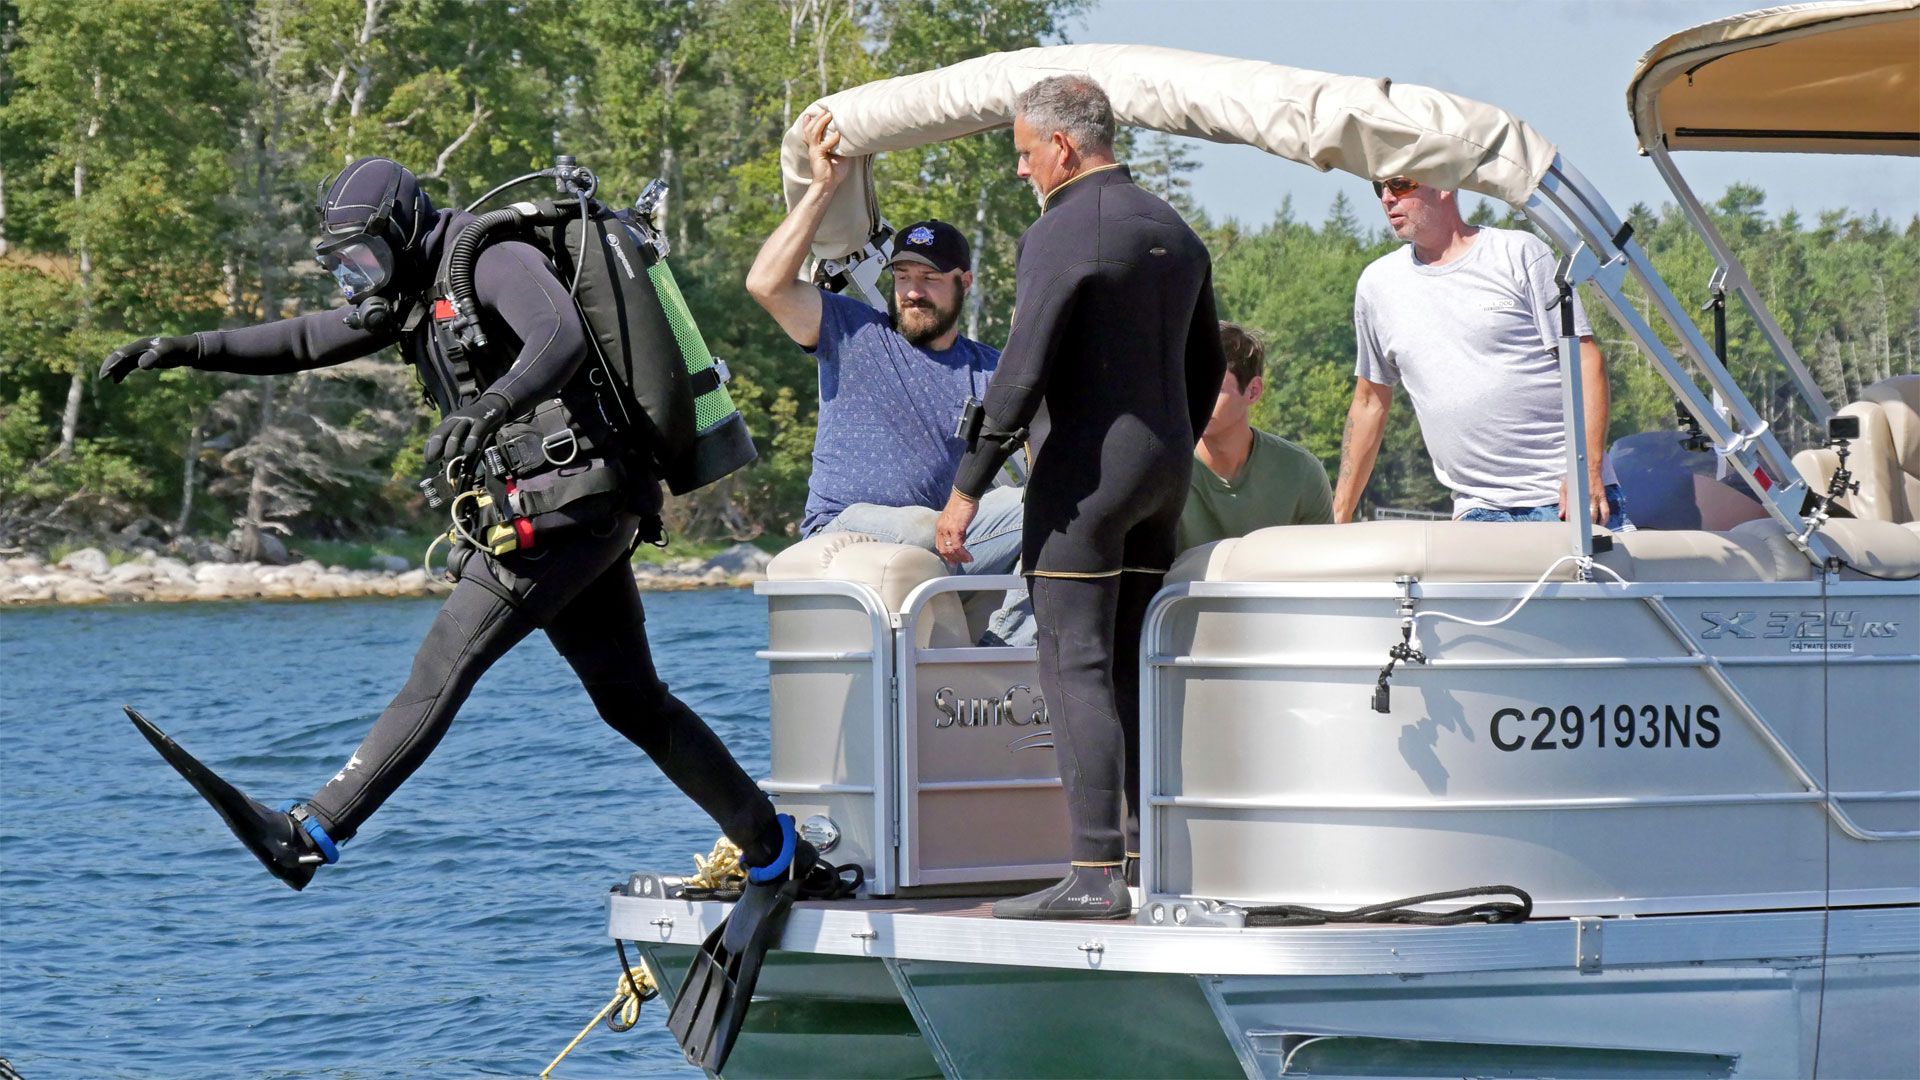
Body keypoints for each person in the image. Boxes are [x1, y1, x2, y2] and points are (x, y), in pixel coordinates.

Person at [101, 156, 814, 900]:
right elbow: (307, 340)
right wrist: (190, 349)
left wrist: (492, 406)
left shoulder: (490, 254)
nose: (358, 274)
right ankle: (773, 848)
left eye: (366, 255)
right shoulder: (409, 288)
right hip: (575, 512)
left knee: (444, 661)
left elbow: (559, 335)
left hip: (566, 508)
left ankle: (311, 833)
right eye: (344, 263)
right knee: (631, 701)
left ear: (405, 227)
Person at [934, 75, 1225, 921]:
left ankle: (1095, 873)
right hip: (1161, 472)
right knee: (1131, 661)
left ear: (1061, 146)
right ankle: (1141, 857)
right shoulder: (1173, 229)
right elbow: (1205, 365)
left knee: (1073, 666)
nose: (1022, 170)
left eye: (1025, 153)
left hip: (1086, 481)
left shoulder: (1066, 230)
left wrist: (966, 490)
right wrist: (1169, 444)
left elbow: (1020, 370)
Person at [1332, 175, 1629, 529]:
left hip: (1568, 500)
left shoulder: (1519, 253)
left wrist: (1587, 471)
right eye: (1378, 187)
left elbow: (1583, 359)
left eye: (1399, 185)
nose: (1386, 198)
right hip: (1477, 512)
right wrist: (1339, 515)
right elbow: (1369, 402)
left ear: (1443, 182)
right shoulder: (1376, 285)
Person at [1177, 321, 1333, 550]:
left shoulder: (1301, 473)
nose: (1198, 399)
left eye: (1214, 389)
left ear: (1253, 391)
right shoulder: (1164, 471)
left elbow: (1322, 570)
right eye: (1189, 385)